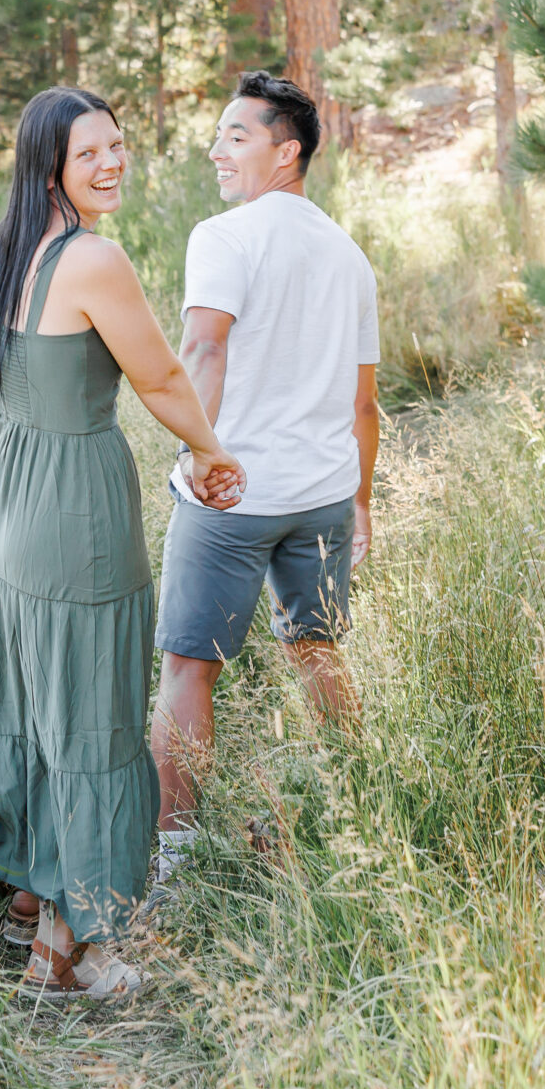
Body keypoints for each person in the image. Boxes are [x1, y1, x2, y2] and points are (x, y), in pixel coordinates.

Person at [0, 85, 245, 1003]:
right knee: (92, 723)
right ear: (49, 164)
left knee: (28, 700)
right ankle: (65, 951)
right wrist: (212, 453)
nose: (111, 164)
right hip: (76, 518)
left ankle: (27, 895)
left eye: (118, 146)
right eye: (89, 152)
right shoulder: (95, 259)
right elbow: (163, 376)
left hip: (8, 510)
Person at [148, 72, 379, 892]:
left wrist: (193, 458)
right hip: (321, 493)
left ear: (288, 153)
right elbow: (364, 402)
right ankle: (361, 816)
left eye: (236, 135)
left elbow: (203, 352)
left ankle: (170, 863)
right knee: (319, 650)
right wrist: (360, 505)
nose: (217, 148)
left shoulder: (224, 235)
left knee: (187, 667)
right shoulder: (349, 255)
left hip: (233, 494)